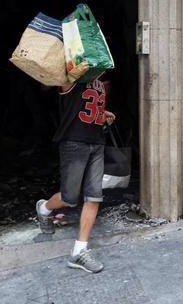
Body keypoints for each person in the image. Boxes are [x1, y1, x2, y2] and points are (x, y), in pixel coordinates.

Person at [35, 77, 115, 273]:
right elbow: (46, 82)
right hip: (74, 143)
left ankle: (79, 251)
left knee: (94, 197)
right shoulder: (71, 79)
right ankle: (44, 208)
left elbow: (88, 107)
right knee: (69, 198)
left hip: (97, 142)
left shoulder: (100, 82)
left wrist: (102, 114)